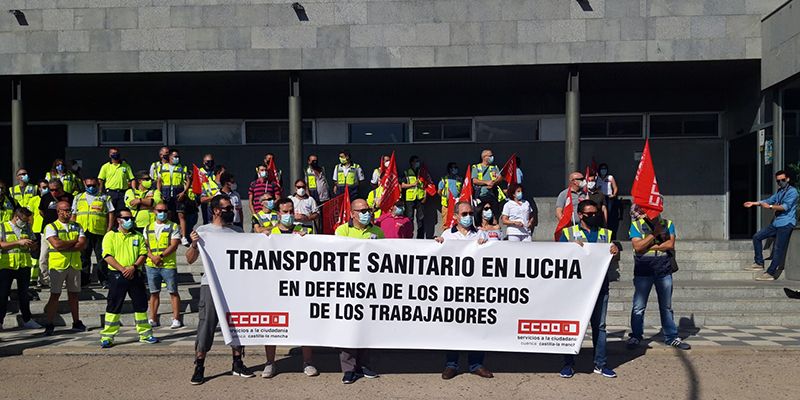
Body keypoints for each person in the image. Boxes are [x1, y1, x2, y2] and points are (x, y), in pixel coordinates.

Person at [186, 194, 254, 384]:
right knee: (206, 324)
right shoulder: (203, 230)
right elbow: (189, 259)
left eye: (231, 208)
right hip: (211, 284)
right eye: (227, 208)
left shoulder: (237, 232)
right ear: (216, 210)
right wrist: (193, 244)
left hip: (233, 285)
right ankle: (199, 365)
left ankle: (237, 362)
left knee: (236, 324)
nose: (231, 211)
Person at [558, 200, 619, 379]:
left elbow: (613, 258)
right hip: (574, 290)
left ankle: (600, 364)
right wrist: (570, 248)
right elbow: (557, 257)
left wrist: (615, 251)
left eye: (596, 213)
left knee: (599, 326)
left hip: (599, 288)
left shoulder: (605, 233)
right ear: (580, 215)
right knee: (570, 327)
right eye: (589, 214)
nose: (594, 216)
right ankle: (568, 364)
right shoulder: (569, 233)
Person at [434, 201, 493, 380]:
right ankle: (451, 365)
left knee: (477, 327)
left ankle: (476, 364)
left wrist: (486, 245)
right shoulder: (447, 235)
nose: (468, 217)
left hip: (476, 290)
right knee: (453, 328)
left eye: (470, 213)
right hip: (454, 290)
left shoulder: (481, 234)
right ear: (456, 216)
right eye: (464, 214)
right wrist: (438, 245)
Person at [260, 198, 317, 378]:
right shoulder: (270, 234)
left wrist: (307, 240)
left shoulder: (304, 231)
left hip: (300, 286)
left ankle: (307, 362)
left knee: (305, 324)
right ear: (278, 213)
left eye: (291, 211)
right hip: (274, 287)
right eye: (285, 212)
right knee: (272, 325)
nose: (289, 215)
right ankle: (270, 362)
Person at [626, 204, 691, 351]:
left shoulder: (667, 224)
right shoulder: (637, 225)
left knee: (666, 306)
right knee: (638, 306)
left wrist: (648, 246)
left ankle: (671, 337)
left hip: (663, 267)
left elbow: (670, 245)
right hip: (644, 267)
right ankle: (636, 336)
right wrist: (653, 235)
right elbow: (637, 247)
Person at [334, 198, 383, 384]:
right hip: (347, 287)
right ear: (352, 213)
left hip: (370, 287)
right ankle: (348, 369)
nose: (366, 213)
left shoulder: (377, 231)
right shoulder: (342, 231)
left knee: (366, 328)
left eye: (368, 210)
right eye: (361, 210)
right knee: (348, 329)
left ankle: (365, 365)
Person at [99, 207, 159, 348]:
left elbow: (143, 254)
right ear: (118, 220)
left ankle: (145, 334)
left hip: (135, 273)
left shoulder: (137, 235)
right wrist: (123, 269)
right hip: (117, 275)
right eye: (126, 218)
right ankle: (107, 336)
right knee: (114, 305)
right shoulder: (110, 235)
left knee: (140, 305)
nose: (129, 221)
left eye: (131, 218)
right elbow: (107, 256)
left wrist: (133, 267)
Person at [745, 170, 799, 281]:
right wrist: (754, 203)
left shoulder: (792, 192)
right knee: (757, 237)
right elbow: (769, 200)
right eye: (778, 181)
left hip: (786, 223)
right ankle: (759, 262)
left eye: (782, 180)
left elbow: (785, 207)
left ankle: (770, 273)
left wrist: (769, 206)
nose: (780, 182)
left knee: (778, 248)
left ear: (787, 179)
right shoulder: (780, 191)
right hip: (776, 223)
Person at [43, 202, 87, 335]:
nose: (68, 212)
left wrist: (68, 244)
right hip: (58, 265)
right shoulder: (51, 226)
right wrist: (73, 241)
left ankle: (76, 322)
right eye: (65, 210)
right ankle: (49, 324)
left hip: (74, 264)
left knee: (74, 294)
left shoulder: (77, 225)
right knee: (55, 295)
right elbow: (57, 245)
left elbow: (83, 244)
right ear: (58, 211)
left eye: (69, 210)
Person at [0, 208, 42, 330]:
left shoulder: (27, 227)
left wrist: (33, 246)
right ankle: (0, 322)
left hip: (23, 264)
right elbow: (1, 244)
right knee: (2, 295)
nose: (26, 222)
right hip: (6, 265)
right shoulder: (3, 226)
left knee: (24, 294)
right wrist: (18, 242)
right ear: (16, 217)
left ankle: (27, 319)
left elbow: (33, 242)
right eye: (24, 220)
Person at [144, 202, 182, 329]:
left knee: (173, 291)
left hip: (168, 264)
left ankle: (176, 318)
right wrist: (152, 257)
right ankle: (153, 318)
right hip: (151, 265)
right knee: (154, 293)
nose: (162, 213)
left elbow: (174, 244)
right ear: (154, 211)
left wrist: (160, 257)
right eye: (160, 210)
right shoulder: (148, 227)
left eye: (165, 211)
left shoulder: (174, 226)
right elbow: (145, 246)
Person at [72, 177, 115, 287]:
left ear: (97, 185)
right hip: (83, 231)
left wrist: (109, 229)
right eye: (89, 185)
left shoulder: (104, 197)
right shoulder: (78, 197)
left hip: (99, 231)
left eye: (93, 185)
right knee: (84, 257)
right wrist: (73, 230)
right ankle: (84, 279)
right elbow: (74, 215)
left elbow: (111, 213)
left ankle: (103, 280)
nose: (91, 187)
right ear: (85, 185)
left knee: (101, 257)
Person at [38, 179, 75, 287]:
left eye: (56, 189)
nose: (53, 192)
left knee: (62, 255)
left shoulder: (69, 197)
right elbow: (41, 211)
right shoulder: (46, 197)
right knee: (43, 257)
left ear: (61, 187)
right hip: (47, 229)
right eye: (51, 190)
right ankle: (44, 280)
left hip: (63, 230)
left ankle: (63, 280)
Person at [157, 148, 190, 226]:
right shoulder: (162, 167)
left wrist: (183, 192)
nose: (177, 158)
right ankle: (169, 232)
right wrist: (159, 193)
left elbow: (188, 181)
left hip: (178, 194)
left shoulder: (183, 168)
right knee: (168, 215)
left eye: (178, 157)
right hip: (166, 194)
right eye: (175, 156)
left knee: (181, 215)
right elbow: (159, 181)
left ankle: (183, 237)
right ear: (169, 157)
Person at [98, 148, 135, 212]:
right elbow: (100, 180)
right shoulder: (105, 166)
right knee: (110, 212)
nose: (115, 155)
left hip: (122, 193)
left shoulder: (126, 166)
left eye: (117, 153)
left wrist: (134, 192)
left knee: (122, 211)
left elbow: (132, 179)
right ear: (109, 155)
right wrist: (100, 192)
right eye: (113, 153)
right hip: (110, 193)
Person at [401, 155, 428, 239]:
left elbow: (427, 185)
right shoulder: (407, 172)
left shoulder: (422, 172)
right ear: (411, 163)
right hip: (409, 198)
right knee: (409, 218)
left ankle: (420, 238)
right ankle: (409, 237)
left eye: (418, 161)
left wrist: (425, 196)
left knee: (421, 218)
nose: (417, 163)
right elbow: (402, 185)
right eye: (415, 161)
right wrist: (412, 184)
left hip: (420, 198)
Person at [472, 149, 504, 216]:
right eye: (490, 156)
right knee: (481, 214)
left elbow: (500, 178)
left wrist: (494, 182)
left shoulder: (494, 167)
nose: (492, 157)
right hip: (481, 195)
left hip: (493, 194)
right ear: (484, 157)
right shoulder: (476, 167)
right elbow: (474, 180)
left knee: (494, 213)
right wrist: (486, 182)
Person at [598, 164, 620, 239]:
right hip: (600, 197)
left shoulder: (610, 177)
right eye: (602, 169)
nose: (603, 170)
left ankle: (609, 230)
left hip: (609, 197)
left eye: (605, 169)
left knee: (609, 213)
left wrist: (614, 194)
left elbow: (615, 187)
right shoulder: (597, 178)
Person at [199, 154, 216, 224]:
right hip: (205, 199)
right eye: (208, 161)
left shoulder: (216, 171)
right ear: (204, 162)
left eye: (212, 161)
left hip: (216, 200)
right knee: (207, 221)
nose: (210, 163)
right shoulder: (200, 172)